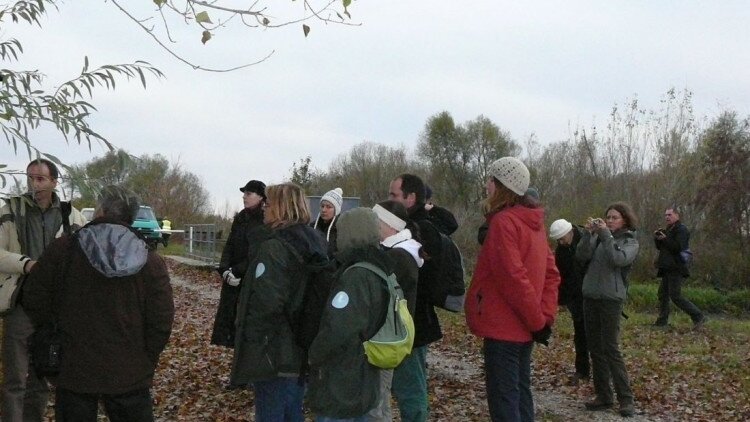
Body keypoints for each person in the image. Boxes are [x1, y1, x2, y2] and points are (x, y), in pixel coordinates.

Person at [22, 185, 174, 422]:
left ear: (100, 210)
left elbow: (34, 297)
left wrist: (52, 332)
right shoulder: (150, 260)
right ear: (131, 217)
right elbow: (161, 317)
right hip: (129, 370)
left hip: (74, 367)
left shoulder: (64, 250)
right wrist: (147, 356)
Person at [464, 157, 560, 422]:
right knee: (519, 393)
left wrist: (540, 321)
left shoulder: (504, 223)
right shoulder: (533, 224)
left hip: (504, 326)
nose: (487, 186)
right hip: (524, 327)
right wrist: (542, 319)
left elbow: (513, 278)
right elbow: (550, 275)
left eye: (491, 180)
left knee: (505, 399)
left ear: (501, 185)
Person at [231, 183, 329, 422]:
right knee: (292, 410)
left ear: (282, 208)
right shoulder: (314, 241)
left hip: (274, 350)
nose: (264, 208)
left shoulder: (275, 247)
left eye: (269, 203)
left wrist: (251, 344)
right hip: (302, 345)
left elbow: (266, 303)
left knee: (272, 411)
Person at [0, 158, 87, 422]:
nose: (34, 184)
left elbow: (86, 252)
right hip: (21, 303)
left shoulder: (70, 214)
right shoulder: (11, 210)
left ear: (54, 182)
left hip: (54, 308)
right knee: (15, 379)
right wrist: (26, 265)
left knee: (42, 376)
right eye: (30, 178)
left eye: (41, 179)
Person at [307, 208, 392, 422]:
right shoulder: (378, 268)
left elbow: (339, 327)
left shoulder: (355, 275)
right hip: (363, 374)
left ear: (352, 233)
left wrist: (314, 353)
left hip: (342, 378)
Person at [575, 203, 639, 418]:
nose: (610, 221)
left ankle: (626, 399)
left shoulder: (629, 241)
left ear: (625, 221)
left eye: (615, 218)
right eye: (607, 217)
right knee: (595, 348)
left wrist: (604, 235)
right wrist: (587, 234)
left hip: (611, 299)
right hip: (591, 297)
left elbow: (618, 259)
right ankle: (603, 395)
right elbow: (581, 256)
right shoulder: (600, 238)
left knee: (611, 348)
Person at [388, 173, 443, 420]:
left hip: (413, 322)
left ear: (410, 198)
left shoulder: (421, 230)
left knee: (410, 389)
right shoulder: (416, 226)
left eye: (394, 195)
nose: (389, 200)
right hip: (411, 321)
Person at [371, 200, 425, 422]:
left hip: (388, 335)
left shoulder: (397, 257)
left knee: (380, 399)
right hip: (392, 334)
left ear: (390, 226)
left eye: (377, 221)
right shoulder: (401, 253)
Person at [211, 180, 266, 348]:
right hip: (232, 277)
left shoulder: (264, 220)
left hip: (248, 279)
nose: (244, 197)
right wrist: (225, 270)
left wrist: (236, 270)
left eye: (249, 194)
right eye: (244, 194)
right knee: (228, 317)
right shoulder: (241, 217)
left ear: (261, 197)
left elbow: (257, 253)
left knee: (243, 322)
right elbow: (229, 245)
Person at [549, 218, 591, 386]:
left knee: (597, 336)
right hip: (575, 297)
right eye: (558, 240)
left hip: (591, 293)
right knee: (580, 335)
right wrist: (561, 299)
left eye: (562, 238)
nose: (561, 242)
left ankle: (603, 371)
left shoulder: (587, 239)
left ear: (570, 232)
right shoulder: (561, 251)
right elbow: (561, 277)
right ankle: (582, 371)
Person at [653, 206, 706, 329]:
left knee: (675, 296)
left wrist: (665, 239)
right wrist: (658, 239)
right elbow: (661, 248)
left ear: (677, 215)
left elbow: (678, 247)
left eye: (669, 215)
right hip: (667, 267)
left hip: (676, 267)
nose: (667, 217)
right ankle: (662, 321)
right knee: (662, 294)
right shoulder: (668, 229)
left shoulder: (682, 230)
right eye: (666, 215)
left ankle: (698, 316)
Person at [313, 187, 343, 255]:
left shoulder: (341, 229)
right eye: (322, 206)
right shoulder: (312, 227)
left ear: (336, 210)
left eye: (328, 207)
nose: (324, 210)